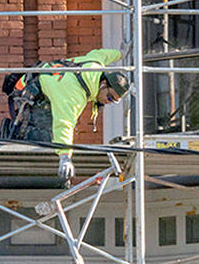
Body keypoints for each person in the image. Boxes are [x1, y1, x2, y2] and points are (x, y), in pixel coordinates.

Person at [11, 48, 131, 181]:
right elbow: (64, 124)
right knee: (43, 136)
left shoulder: (95, 64)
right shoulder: (73, 94)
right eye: (109, 97)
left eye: (114, 101)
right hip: (27, 89)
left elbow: (105, 54)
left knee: (51, 135)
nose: (108, 102)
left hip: (40, 81)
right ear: (103, 84)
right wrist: (65, 157)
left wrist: (122, 53)